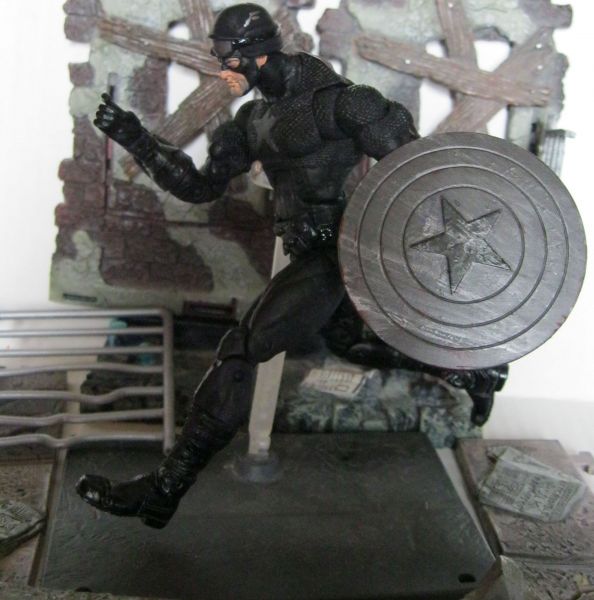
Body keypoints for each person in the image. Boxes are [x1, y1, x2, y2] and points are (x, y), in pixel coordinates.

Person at [76, 3, 507, 528]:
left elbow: (414, 173)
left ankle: (163, 490)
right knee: (350, 344)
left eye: (228, 57)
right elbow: (200, 186)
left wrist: (431, 259)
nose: (222, 69)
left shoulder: (343, 102)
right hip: (307, 251)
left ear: (258, 54)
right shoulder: (251, 121)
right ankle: (472, 371)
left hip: (340, 252)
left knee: (242, 347)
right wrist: (137, 138)